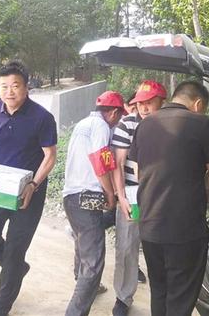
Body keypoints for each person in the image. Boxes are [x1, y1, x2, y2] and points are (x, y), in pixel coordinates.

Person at [130, 80, 209, 316]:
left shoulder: (145, 124)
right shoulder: (202, 124)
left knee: (159, 291)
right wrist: (199, 186)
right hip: (185, 231)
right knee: (180, 298)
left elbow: (138, 172)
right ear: (198, 104)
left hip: (150, 226)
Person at [0, 60, 57, 316]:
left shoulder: (42, 117)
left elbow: (50, 155)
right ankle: (17, 269)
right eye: (4, 86)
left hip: (28, 194)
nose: (9, 91)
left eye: (15, 86)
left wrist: (33, 184)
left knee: (14, 251)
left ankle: (0, 307)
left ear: (26, 87)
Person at [62, 91, 126, 316]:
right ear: (114, 113)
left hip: (71, 197)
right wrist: (110, 193)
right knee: (94, 262)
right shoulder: (101, 126)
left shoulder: (83, 124)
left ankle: (84, 281)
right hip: (87, 196)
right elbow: (101, 161)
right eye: (119, 117)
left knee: (85, 243)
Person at [110, 80, 166, 316]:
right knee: (126, 247)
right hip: (132, 194)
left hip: (162, 196)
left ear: (162, 102)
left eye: (150, 102)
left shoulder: (169, 125)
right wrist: (121, 196)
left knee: (162, 249)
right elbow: (118, 163)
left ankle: (164, 300)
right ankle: (123, 297)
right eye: (140, 103)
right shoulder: (127, 124)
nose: (144, 107)